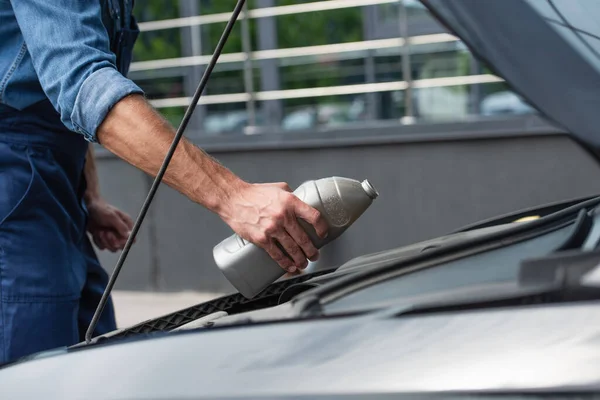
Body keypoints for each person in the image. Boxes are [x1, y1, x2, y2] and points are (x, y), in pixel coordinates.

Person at [0, 0, 327, 364]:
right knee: (34, 371)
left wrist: (88, 195)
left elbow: (67, 111)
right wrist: (234, 197)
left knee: (91, 362)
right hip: (13, 191)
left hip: (59, 189)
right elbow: (79, 82)